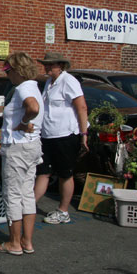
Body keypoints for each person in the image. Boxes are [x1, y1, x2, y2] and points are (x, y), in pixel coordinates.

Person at [0, 52, 43, 256]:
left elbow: (33, 107)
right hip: (32, 146)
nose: (7, 75)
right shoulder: (34, 86)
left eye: (8, 70)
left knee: (12, 195)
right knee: (26, 194)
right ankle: (27, 241)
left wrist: (23, 123)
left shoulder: (23, 88)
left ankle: (14, 243)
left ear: (17, 70)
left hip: (18, 147)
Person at [34, 51, 89, 225]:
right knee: (43, 172)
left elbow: (82, 107)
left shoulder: (69, 81)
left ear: (61, 66)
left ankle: (63, 211)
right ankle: (28, 206)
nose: (47, 67)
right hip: (48, 135)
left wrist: (83, 135)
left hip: (65, 135)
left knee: (65, 174)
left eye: (51, 64)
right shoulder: (49, 82)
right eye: (46, 64)